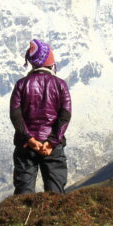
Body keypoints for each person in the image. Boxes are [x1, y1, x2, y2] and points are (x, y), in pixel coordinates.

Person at [9, 38, 72, 194]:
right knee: (55, 194)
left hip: (26, 146)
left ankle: (22, 219)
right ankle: (54, 219)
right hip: (52, 147)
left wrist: (30, 140)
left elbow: (15, 115)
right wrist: (51, 142)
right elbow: (65, 114)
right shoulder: (60, 84)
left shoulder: (21, 84)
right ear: (49, 60)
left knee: (23, 192)